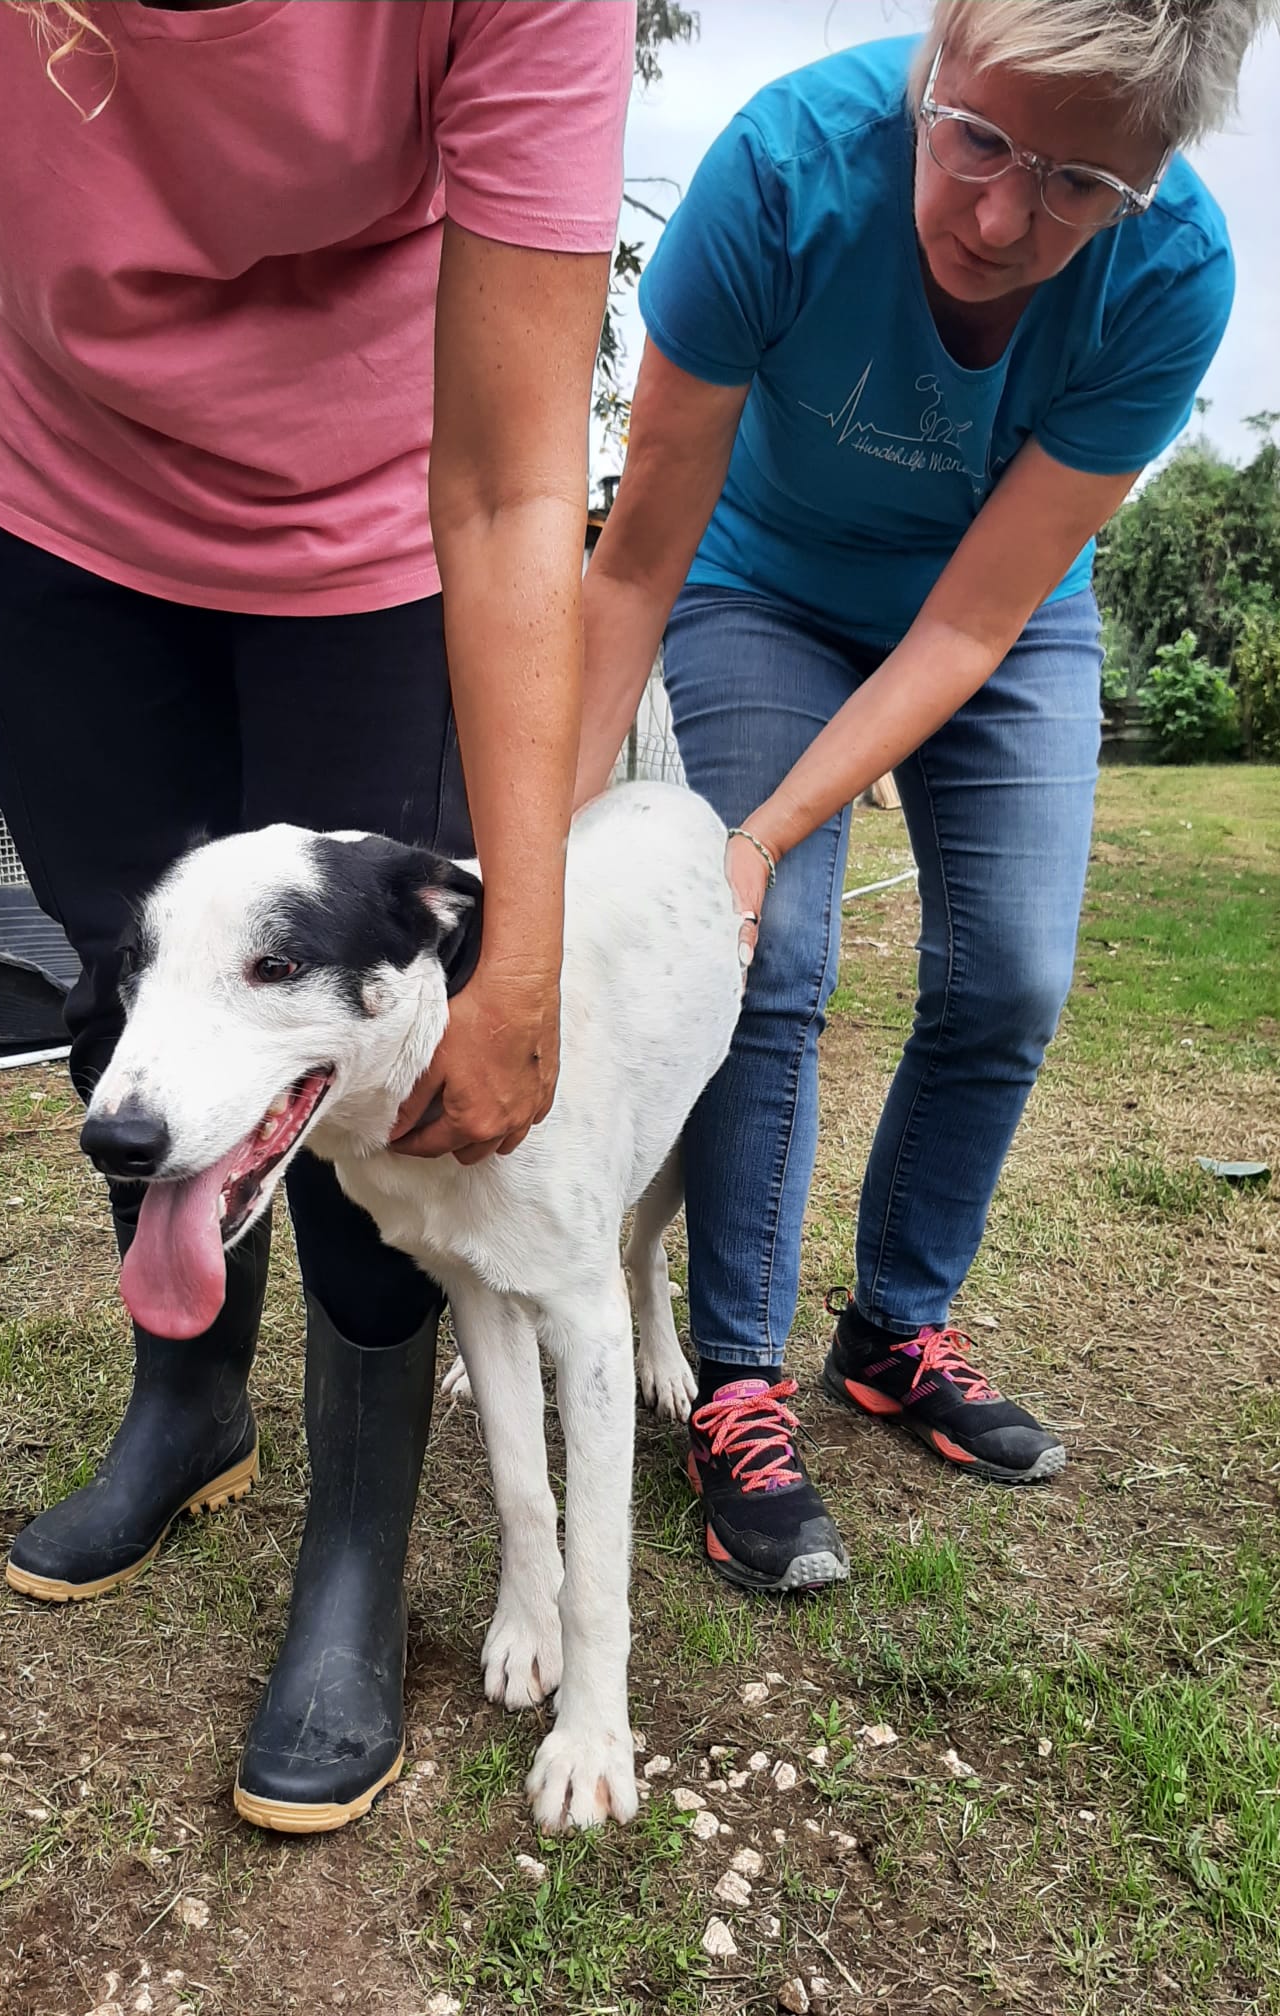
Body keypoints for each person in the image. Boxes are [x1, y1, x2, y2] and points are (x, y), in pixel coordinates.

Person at [0, 0, 633, 1831]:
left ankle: (358, 1536)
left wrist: (521, 959)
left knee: (342, 1055)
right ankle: (187, 1405)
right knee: (143, 1002)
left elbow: (519, 486)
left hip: (384, 521)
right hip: (64, 505)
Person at [576, 0, 1269, 1595]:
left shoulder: (1175, 274)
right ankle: (737, 1378)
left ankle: (895, 1331)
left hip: (995, 615)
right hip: (761, 585)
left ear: (1151, 177)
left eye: (1080, 185)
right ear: (936, 62)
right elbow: (636, 562)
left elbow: (967, 628)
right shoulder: (780, 173)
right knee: (771, 959)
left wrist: (766, 831)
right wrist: (547, 859)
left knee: (1011, 974)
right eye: (980, 143)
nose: (1005, 220)